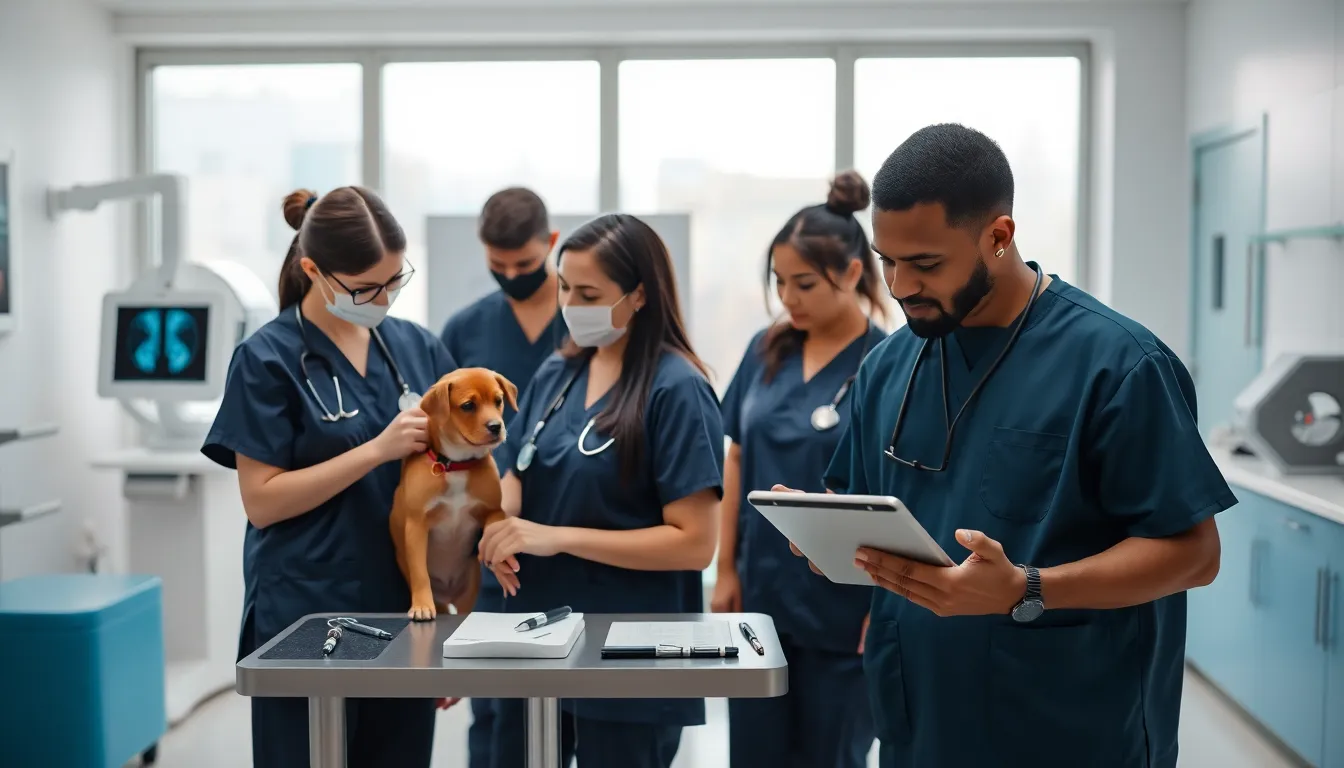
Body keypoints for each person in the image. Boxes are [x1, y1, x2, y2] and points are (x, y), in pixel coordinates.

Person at [789, 123, 1234, 768]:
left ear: (999, 237)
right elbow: (863, 508)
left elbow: (1194, 555)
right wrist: (825, 533)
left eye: (926, 263)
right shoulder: (888, 365)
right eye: (889, 261)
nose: (899, 286)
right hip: (918, 722)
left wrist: (1028, 587)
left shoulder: (1118, 366)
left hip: (1067, 727)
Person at [201, 187, 457, 768]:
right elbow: (262, 502)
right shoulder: (267, 359)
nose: (385, 298)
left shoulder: (416, 349)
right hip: (307, 609)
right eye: (367, 287)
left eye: (396, 281)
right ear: (313, 270)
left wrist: (446, 614)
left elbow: (447, 487)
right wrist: (376, 450)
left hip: (403, 610)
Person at [477, 213, 724, 768]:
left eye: (589, 293)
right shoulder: (558, 374)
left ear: (639, 294)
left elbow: (693, 544)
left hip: (631, 654)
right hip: (535, 638)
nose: (569, 305)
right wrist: (496, 525)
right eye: (565, 287)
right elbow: (518, 474)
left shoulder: (678, 390)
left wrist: (557, 538)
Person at [712, 170, 886, 768]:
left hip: (845, 608)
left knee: (831, 754)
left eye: (804, 284)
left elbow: (898, 489)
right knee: (755, 753)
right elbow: (737, 458)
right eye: (779, 282)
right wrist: (725, 569)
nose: (788, 298)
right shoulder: (767, 350)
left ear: (854, 274)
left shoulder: (887, 362)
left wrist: (881, 607)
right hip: (761, 592)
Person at [439, 186, 567, 768]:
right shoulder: (466, 331)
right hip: (488, 555)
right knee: (497, 727)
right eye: (499, 266)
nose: (513, 275)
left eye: (525, 264)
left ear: (553, 243)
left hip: (575, 546)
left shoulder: (587, 322)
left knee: (580, 721)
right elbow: (440, 447)